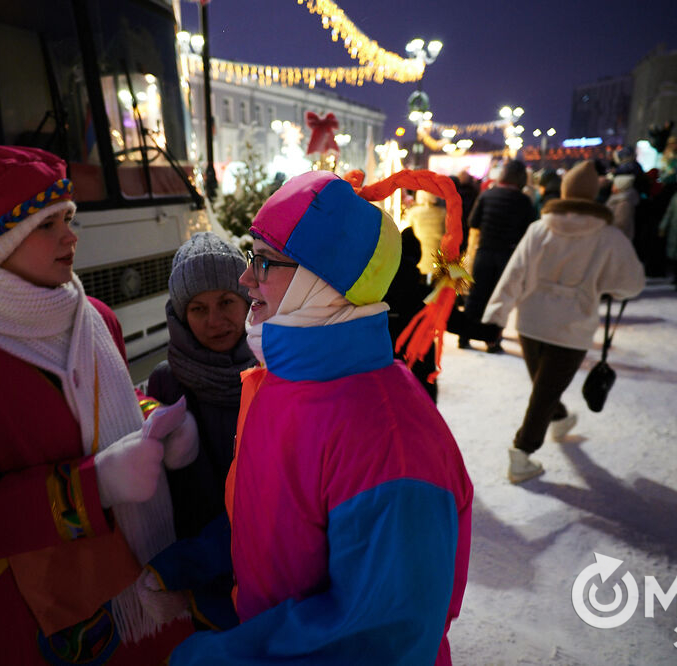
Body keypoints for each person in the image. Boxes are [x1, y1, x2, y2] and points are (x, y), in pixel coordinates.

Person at [143, 170, 474, 665]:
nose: (245, 277)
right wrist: (185, 568)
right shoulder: (281, 383)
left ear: (324, 278)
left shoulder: (391, 439)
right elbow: (271, 524)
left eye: (264, 260)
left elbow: (380, 639)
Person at [0, 144, 197, 664]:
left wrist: (152, 423)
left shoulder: (98, 317)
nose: (71, 236)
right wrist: (93, 487)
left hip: (130, 582)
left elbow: (102, 409)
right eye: (47, 225)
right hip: (35, 613)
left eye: (68, 218)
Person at [482, 161, 645, 483]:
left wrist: (496, 317)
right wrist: (603, 286)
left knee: (544, 387)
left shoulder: (539, 229)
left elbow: (513, 275)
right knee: (545, 390)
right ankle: (521, 453)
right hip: (572, 326)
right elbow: (632, 284)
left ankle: (558, 420)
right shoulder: (608, 237)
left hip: (530, 320)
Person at [147, 232, 255, 540]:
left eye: (225, 302)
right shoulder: (166, 382)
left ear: (247, 301)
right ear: (182, 316)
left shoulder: (273, 370)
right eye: (198, 308)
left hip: (264, 547)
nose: (214, 320)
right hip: (188, 556)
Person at [461, 159, 536, 351]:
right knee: (499, 299)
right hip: (508, 256)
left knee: (476, 296)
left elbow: (473, 222)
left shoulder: (487, 195)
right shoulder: (523, 201)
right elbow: (530, 230)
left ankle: (465, 336)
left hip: (484, 252)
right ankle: (492, 340)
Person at [384, 226, 437, 401]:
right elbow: (453, 319)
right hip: (418, 358)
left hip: (384, 354)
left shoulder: (379, 284)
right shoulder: (421, 291)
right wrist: (486, 331)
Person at [405, 189, 447, 276]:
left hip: (419, 256)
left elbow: (407, 232)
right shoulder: (443, 213)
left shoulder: (413, 213)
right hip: (438, 256)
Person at [606, 173, 638, 241]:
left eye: (614, 184)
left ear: (620, 186)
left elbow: (620, 223)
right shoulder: (616, 198)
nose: (612, 186)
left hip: (617, 237)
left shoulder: (624, 203)